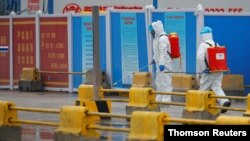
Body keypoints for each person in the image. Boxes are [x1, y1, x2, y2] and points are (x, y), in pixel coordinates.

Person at [197, 26, 231, 113]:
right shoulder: (216, 44)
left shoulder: (203, 45)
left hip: (209, 71)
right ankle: (224, 101)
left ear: (203, 35)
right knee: (217, 87)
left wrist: (204, 68)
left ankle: (199, 106)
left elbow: (200, 58)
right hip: (219, 70)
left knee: (203, 88)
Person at [149, 20, 173, 103]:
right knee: (159, 82)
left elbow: (163, 52)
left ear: (156, 29)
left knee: (166, 82)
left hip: (165, 64)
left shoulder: (162, 38)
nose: (151, 32)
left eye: (152, 30)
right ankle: (159, 99)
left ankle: (166, 100)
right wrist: (154, 59)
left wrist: (162, 63)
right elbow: (157, 51)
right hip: (159, 64)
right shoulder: (157, 38)